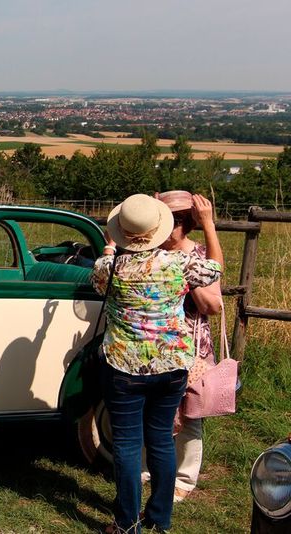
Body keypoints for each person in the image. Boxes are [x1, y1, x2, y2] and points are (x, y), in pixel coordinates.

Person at [92, 193, 222, 533]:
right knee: (162, 439)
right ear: (158, 229)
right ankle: (159, 518)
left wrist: (110, 245)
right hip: (172, 366)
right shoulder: (178, 263)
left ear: (121, 231)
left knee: (127, 444)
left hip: (123, 367)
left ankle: (126, 522)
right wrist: (208, 225)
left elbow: (99, 275)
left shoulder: (110, 267)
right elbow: (215, 270)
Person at [158, 190, 224, 503]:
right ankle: (151, 469)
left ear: (184, 224)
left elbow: (212, 306)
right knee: (154, 409)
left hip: (192, 344)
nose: (162, 232)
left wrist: (189, 277)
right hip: (157, 343)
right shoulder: (153, 251)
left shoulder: (198, 254)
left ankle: (184, 478)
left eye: (168, 224)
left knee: (191, 414)